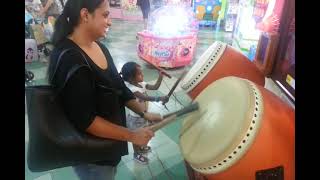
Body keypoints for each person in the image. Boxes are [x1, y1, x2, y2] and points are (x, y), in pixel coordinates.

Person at [47, 0, 163, 179]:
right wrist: (132, 135)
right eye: (105, 15)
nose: (110, 21)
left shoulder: (100, 47)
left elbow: (120, 88)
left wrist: (143, 114)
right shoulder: (70, 59)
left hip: (109, 148)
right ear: (85, 15)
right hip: (92, 157)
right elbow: (86, 120)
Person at [120, 62, 169, 164]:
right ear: (131, 78)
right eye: (139, 74)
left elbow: (155, 87)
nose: (142, 75)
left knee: (143, 133)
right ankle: (136, 154)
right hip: (135, 119)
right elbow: (145, 97)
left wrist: (160, 76)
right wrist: (159, 98)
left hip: (143, 116)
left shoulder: (141, 84)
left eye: (141, 72)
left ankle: (140, 149)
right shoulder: (132, 89)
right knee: (136, 137)